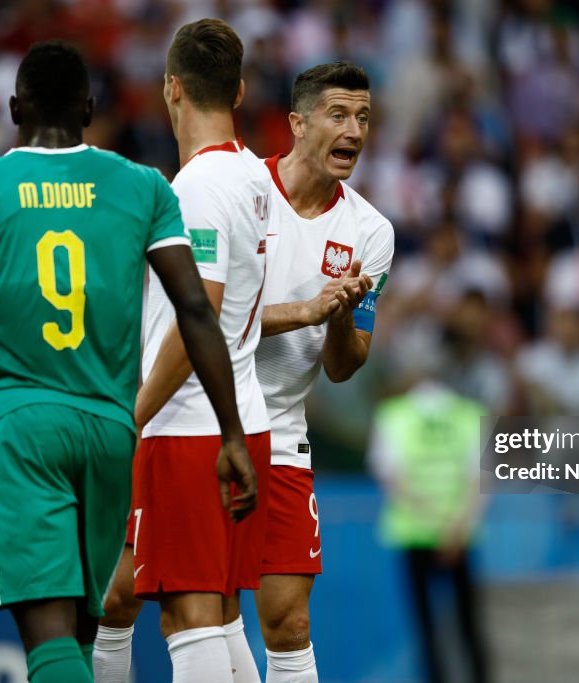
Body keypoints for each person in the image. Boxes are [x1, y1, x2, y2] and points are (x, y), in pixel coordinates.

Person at [0, 41, 256, 683]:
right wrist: (231, 431)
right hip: (112, 436)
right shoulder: (143, 187)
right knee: (81, 643)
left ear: (12, 107)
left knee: (51, 646)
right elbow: (197, 312)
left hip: (24, 429)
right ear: (89, 108)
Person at [92, 19, 271, 683]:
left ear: (172, 90)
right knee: (212, 611)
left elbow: (204, 311)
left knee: (189, 614)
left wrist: (131, 415)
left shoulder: (194, 189)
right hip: (239, 419)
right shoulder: (255, 177)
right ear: (240, 89)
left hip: (187, 426)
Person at [252, 61, 394, 682]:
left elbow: (343, 366)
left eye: (363, 117)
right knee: (150, 601)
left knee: (290, 622)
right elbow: (199, 322)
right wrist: (306, 309)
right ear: (297, 123)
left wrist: (337, 314)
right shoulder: (239, 196)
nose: (354, 130)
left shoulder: (371, 232)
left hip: (283, 430)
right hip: (198, 416)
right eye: (338, 115)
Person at [367, 371, 489, 683]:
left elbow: (392, 479)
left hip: (415, 533)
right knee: (469, 625)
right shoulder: (470, 414)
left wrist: (437, 524)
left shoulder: (393, 415)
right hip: (459, 537)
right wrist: (454, 527)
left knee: (428, 627)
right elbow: (482, 480)